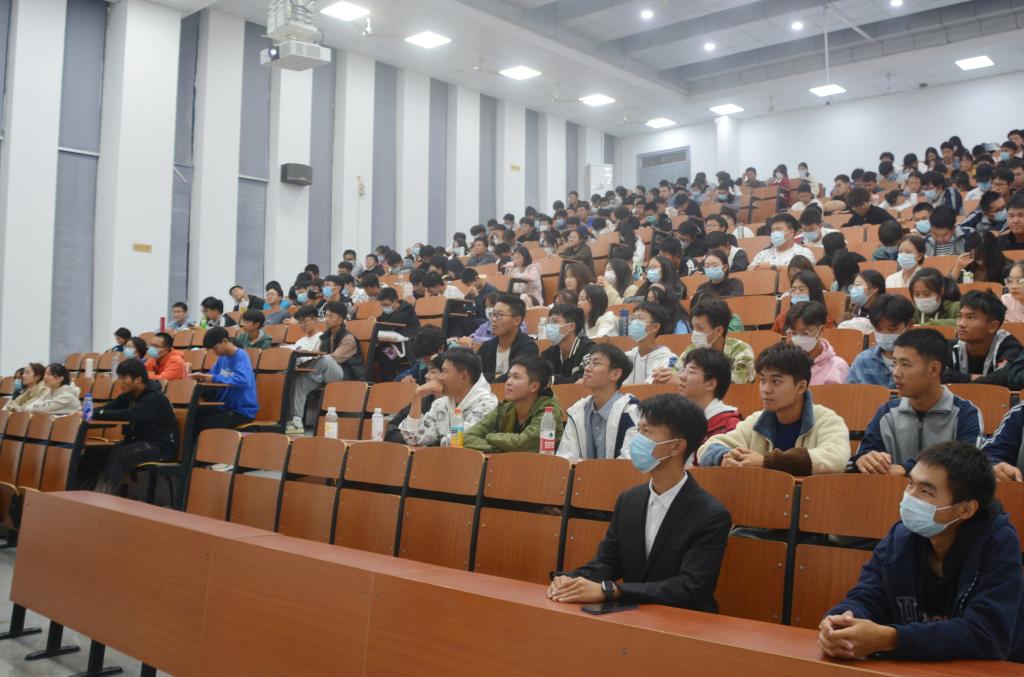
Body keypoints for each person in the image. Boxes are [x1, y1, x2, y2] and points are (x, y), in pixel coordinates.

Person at [820, 442, 1024, 663]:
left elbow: (986, 635)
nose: (910, 497)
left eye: (926, 491)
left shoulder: (998, 542)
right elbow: (867, 596)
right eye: (910, 484)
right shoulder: (900, 537)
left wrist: (892, 639)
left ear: (966, 509)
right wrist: (842, 622)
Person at [548, 394, 730, 611]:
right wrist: (569, 579)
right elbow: (608, 562)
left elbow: (691, 586)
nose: (637, 440)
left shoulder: (710, 514)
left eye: (646, 432)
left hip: (685, 620)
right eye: (638, 430)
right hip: (634, 615)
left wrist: (614, 590)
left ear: (676, 446)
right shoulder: (629, 500)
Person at [697, 343, 850, 474]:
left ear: (801, 387)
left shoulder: (826, 420)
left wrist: (766, 462)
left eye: (776, 381)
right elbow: (707, 448)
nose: (766, 389)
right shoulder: (757, 421)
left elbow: (836, 459)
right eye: (763, 380)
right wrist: (724, 458)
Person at [852, 330, 982, 475]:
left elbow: (967, 466)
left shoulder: (965, 414)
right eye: (895, 363)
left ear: (934, 369)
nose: (896, 373)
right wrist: (864, 460)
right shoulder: (887, 413)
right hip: (889, 490)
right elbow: (864, 453)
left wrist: (906, 469)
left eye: (905, 364)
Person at [85, 360, 178, 494]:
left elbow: (130, 414)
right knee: (95, 452)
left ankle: (102, 496)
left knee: (119, 455)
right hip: (138, 441)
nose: (120, 382)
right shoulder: (129, 395)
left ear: (138, 379)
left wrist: (94, 414)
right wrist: (88, 413)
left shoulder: (155, 397)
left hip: (160, 446)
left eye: (124, 378)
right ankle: (83, 493)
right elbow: (108, 408)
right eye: (119, 377)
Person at [285, 301, 364, 435]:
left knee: (325, 359)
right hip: (326, 374)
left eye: (331, 316)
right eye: (326, 316)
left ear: (340, 320)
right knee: (300, 381)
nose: (327, 319)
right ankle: (297, 422)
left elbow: (334, 359)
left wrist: (309, 360)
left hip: (346, 377)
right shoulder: (325, 337)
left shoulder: (348, 338)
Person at [557, 344, 641, 462]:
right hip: (582, 474)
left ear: (615, 374)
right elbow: (566, 456)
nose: (587, 368)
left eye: (596, 363)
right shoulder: (577, 411)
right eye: (588, 362)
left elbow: (629, 462)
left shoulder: (632, 412)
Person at [399, 348, 498, 447]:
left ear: (463, 376)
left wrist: (438, 442)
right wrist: (417, 396)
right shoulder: (441, 404)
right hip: (444, 455)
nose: (439, 377)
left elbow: (462, 440)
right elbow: (413, 438)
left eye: (444, 371)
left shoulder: (487, 404)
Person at [464, 357, 562, 453]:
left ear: (534, 386)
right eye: (509, 376)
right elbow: (467, 437)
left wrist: (490, 436)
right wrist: (502, 448)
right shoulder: (505, 407)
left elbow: (522, 444)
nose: (508, 382)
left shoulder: (549, 412)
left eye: (516, 377)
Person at [668, 297, 755, 386]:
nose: (694, 333)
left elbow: (734, 385)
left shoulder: (741, 351)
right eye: (693, 328)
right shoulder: (692, 350)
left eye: (700, 328)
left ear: (719, 331)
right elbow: (675, 375)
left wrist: (685, 383)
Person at [944, 290, 1022, 384]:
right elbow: (935, 374)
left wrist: (960, 380)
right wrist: (970, 377)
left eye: (971, 317)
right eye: (959, 316)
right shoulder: (952, 347)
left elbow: (1004, 378)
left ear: (993, 326)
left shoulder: (1010, 346)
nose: (961, 324)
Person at [192, 327, 258, 437]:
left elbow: (243, 380)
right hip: (224, 407)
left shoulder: (241, 356)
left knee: (208, 425)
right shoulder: (222, 358)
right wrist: (202, 378)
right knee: (193, 416)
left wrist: (214, 378)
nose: (215, 352)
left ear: (225, 341)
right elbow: (212, 375)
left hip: (241, 411)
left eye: (215, 348)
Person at [847, 294, 915, 389]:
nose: (884, 334)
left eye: (892, 329)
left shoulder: (920, 360)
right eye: (878, 329)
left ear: (909, 325)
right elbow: (849, 394)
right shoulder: (863, 361)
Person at [676, 348, 741, 444]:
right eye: (683, 370)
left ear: (710, 384)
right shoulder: (679, 420)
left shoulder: (730, 426)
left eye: (691, 372)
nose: (681, 376)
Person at [785, 301, 849, 385]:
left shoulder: (836, 366)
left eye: (805, 333)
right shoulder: (785, 363)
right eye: (794, 333)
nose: (799, 338)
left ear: (821, 330)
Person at [478, 294, 539, 383]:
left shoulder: (528, 347)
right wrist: (496, 376)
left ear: (517, 320)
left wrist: (491, 377)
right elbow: (475, 375)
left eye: (499, 315)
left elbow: (516, 378)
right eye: (493, 314)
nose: (494, 319)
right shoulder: (486, 347)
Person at [622, 302, 674, 385]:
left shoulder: (668, 359)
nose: (634, 322)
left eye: (640, 318)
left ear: (655, 327)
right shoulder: (625, 357)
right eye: (633, 318)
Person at [541, 304, 595, 384]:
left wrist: (554, 380)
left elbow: (581, 381)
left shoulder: (590, 351)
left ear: (571, 326)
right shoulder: (548, 353)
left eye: (554, 322)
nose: (549, 327)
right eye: (548, 322)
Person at [772, 270, 833, 334]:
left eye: (801, 289)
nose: (797, 293)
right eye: (793, 289)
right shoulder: (783, 316)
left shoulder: (825, 319)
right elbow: (774, 337)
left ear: (813, 291)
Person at [749, 214, 814, 271]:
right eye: (773, 230)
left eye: (778, 229)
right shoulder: (763, 254)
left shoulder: (803, 252)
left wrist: (773, 268)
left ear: (791, 232)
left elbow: (802, 271)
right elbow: (749, 271)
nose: (774, 233)